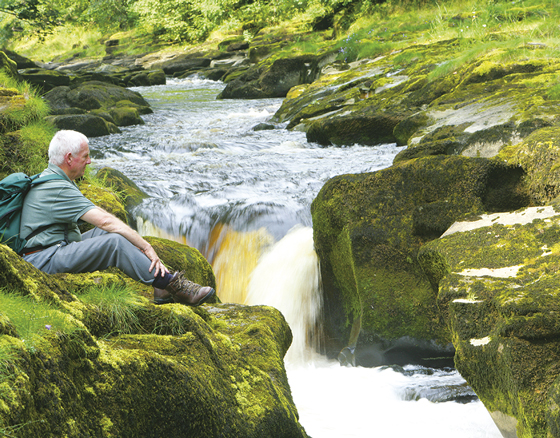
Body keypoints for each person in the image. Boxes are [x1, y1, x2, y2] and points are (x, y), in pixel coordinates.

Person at [19, 130, 215, 306]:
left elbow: (104, 225)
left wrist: (134, 240)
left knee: (112, 233)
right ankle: (170, 284)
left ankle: (161, 286)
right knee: (114, 241)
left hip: (53, 248)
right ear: (69, 158)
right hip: (42, 259)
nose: (89, 161)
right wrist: (147, 246)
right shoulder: (57, 188)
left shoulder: (50, 178)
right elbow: (105, 220)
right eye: (85, 156)